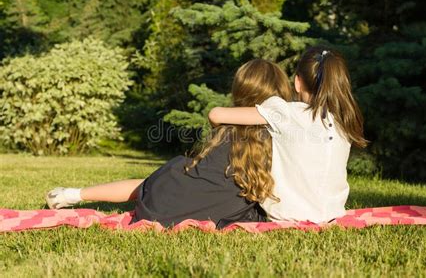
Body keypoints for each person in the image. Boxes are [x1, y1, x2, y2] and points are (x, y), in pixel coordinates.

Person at [46, 59, 293, 228]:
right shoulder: (280, 134)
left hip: (160, 203)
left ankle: (71, 194)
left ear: (239, 91)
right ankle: (71, 194)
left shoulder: (225, 126)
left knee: (150, 184)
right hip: (208, 211)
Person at [208, 46, 368, 223]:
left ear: (297, 83)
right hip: (332, 215)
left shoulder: (286, 112)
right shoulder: (343, 121)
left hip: (288, 217)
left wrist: (221, 132)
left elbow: (215, 115)